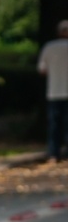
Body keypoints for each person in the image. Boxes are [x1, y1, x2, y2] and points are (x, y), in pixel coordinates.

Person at [37, 19, 68, 162]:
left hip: (54, 91)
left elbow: (42, 70)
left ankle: (53, 154)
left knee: (54, 124)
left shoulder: (49, 47)